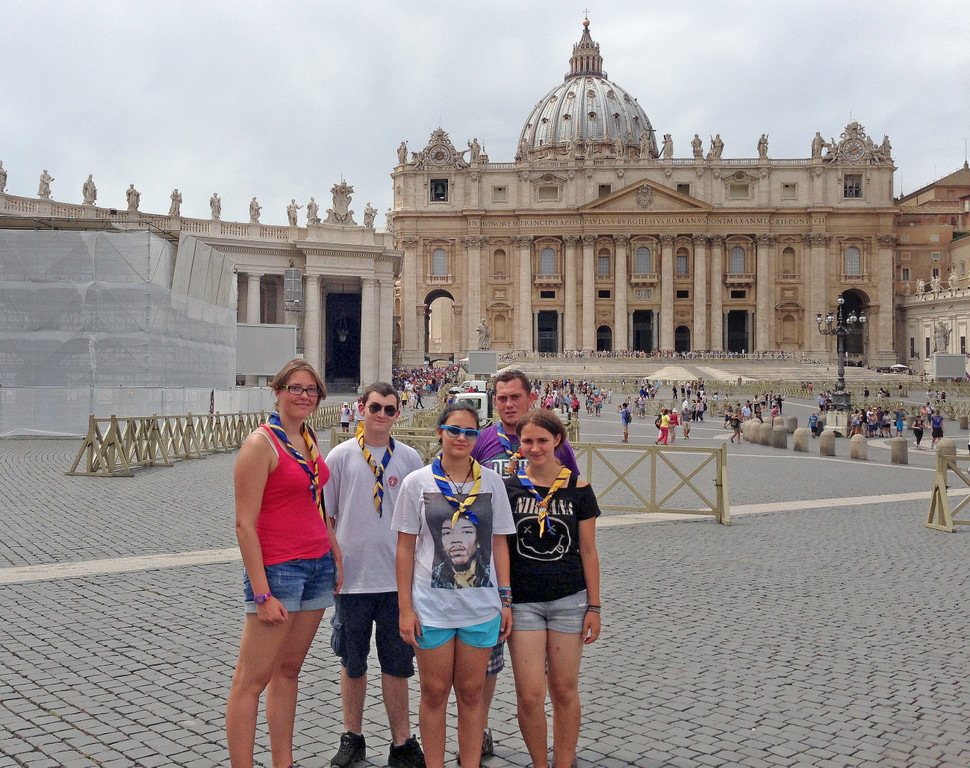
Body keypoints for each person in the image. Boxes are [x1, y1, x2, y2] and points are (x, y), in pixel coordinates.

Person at [225, 359, 343, 768]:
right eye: (295, 388)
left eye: (311, 390)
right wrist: (261, 592)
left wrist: (334, 551)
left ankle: (284, 762)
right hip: (278, 570)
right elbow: (244, 525)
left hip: (317, 565)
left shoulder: (307, 438)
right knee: (251, 679)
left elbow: (314, 500)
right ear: (277, 392)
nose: (304, 396)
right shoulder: (260, 444)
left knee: (288, 670)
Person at [394, 402, 515, 768]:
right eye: (454, 430)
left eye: (470, 432)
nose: (461, 438)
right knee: (434, 693)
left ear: (477, 438)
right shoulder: (417, 482)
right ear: (440, 433)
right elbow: (405, 548)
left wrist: (506, 599)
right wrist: (404, 608)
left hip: (481, 606)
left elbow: (499, 543)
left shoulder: (492, 482)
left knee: (472, 693)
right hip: (431, 607)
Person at [469, 370, 580, 760]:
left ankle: (562, 745)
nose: (508, 404)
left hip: (545, 568)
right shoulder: (482, 441)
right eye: (501, 398)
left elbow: (573, 499)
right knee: (486, 661)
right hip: (492, 567)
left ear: (530, 398)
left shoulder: (552, 441)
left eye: (515, 397)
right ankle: (480, 730)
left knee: (553, 672)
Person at [325, 383, 426, 768]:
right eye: (375, 407)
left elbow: (422, 520)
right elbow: (327, 515)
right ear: (361, 408)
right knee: (352, 663)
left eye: (389, 409)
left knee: (397, 664)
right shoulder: (340, 456)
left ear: (397, 413)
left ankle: (402, 742)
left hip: (398, 583)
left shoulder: (410, 458)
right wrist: (334, 560)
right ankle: (352, 736)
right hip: (352, 579)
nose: (382, 415)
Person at [503, 410, 601, 768]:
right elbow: (501, 548)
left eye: (542, 440)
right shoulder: (509, 489)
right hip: (523, 601)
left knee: (564, 690)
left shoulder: (579, 489)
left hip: (569, 600)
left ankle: (563, 762)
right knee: (530, 695)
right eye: (527, 441)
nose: (535, 448)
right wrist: (505, 599)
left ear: (557, 440)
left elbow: (588, 550)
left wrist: (595, 607)